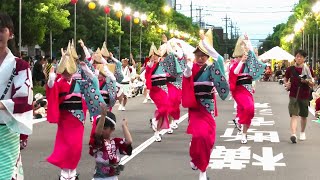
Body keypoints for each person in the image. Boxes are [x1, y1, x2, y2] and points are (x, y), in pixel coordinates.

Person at [46, 42, 104, 180]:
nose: (67, 75)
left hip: (78, 118)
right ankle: (64, 172)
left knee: (75, 147)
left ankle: (72, 170)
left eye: (69, 72)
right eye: (64, 72)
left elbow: (93, 83)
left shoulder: (78, 83)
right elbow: (51, 92)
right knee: (65, 146)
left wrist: (87, 70)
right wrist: (50, 81)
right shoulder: (59, 83)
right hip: (65, 118)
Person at [182, 30, 229, 180]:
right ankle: (201, 169)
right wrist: (188, 70)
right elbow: (186, 77)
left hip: (207, 108)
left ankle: (200, 165)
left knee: (208, 140)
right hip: (196, 109)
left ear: (207, 57)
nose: (200, 58)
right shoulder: (190, 68)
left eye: (203, 56)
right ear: (194, 57)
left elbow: (219, 58)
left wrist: (205, 42)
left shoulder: (211, 69)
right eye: (198, 55)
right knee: (199, 136)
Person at [0, 12, 33, 180]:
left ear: (10, 33)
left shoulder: (20, 66)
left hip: (6, 130)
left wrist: (0, 104)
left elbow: (24, 100)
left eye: (1, 29)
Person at [229, 35, 266, 144]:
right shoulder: (234, 65)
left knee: (249, 111)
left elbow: (254, 58)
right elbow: (234, 73)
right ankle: (241, 125)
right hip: (238, 90)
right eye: (239, 56)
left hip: (248, 91)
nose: (242, 57)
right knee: (247, 107)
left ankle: (243, 131)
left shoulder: (250, 65)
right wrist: (241, 62)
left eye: (244, 55)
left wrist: (247, 41)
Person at [89, 104, 133, 180]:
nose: (102, 130)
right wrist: (103, 116)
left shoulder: (116, 142)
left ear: (112, 129)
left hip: (113, 176)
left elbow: (129, 141)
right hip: (99, 177)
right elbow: (98, 134)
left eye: (105, 128)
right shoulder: (99, 142)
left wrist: (124, 126)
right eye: (100, 127)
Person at [284, 50, 314, 143]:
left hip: (304, 94)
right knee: (294, 115)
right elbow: (285, 78)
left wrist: (307, 81)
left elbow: (313, 83)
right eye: (297, 56)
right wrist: (286, 84)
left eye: (301, 57)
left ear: (304, 58)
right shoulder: (290, 69)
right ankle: (293, 134)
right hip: (293, 94)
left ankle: (302, 132)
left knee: (303, 116)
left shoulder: (308, 70)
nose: (298, 58)